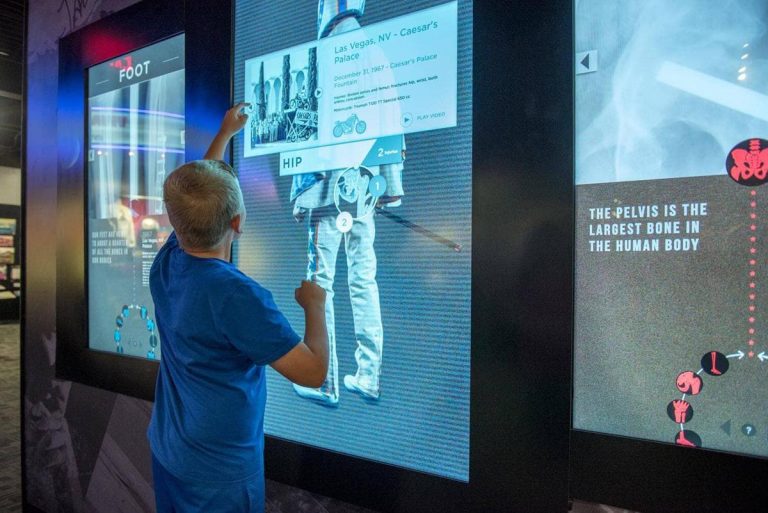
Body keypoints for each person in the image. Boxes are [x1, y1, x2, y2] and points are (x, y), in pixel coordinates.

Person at [147, 103, 329, 513]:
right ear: (238, 224)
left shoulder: (168, 263)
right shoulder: (237, 297)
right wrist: (314, 306)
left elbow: (197, 199)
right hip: (220, 477)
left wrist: (224, 134)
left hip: (170, 453)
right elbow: (313, 372)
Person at [290, 0, 405, 406]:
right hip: (364, 187)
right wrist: (392, 185)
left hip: (327, 188)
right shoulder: (376, 50)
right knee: (363, 278)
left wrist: (302, 194)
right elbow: (392, 123)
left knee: (321, 281)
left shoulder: (320, 55)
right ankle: (369, 377)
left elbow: (303, 129)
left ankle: (322, 381)